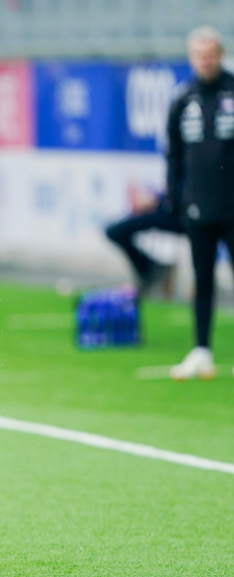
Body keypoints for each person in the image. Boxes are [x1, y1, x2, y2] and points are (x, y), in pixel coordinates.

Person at [166, 26, 234, 381]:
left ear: (220, 55)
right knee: (203, 280)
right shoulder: (183, 99)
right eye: (199, 56)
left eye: (211, 55)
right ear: (193, 58)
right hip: (199, 208)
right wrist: (176, 202)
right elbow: (173, 156)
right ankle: (201, 350)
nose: (205, 61)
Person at [104, 193, 183, 294]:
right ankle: (150, 270)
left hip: (181, 213)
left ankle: (155, 272)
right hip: (162, 207)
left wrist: (159, 200)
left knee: (117, 231)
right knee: (115, 231)